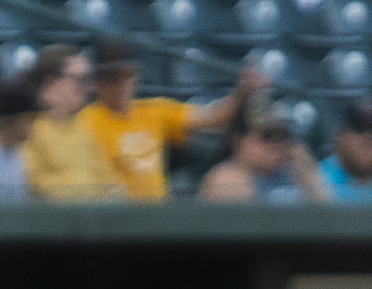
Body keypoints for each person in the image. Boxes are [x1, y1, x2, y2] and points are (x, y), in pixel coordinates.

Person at [78, 39, 268, 200]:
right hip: (115, 217)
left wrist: (242, 94)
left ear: (136, 74)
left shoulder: (154, 110)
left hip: (157, 218)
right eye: (110, 77)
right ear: (97, 80)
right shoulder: (85, 121)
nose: (119, 83)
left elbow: (214, 118)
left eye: (126, 75)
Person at [22, 45, 122, 200]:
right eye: (80, 79)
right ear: (50, 84)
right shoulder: (27, 129)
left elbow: (111, 184)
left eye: (88, 80)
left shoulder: (84, 127)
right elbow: (37, 189)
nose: (89, 88)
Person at [198, 94, 327, 202]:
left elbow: (328, 220)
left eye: (284, 136)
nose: (277, 144)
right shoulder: (226, 177)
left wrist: (309, 176)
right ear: (238, 139)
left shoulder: (294, 173)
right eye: (268, 136)